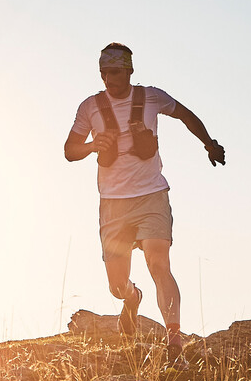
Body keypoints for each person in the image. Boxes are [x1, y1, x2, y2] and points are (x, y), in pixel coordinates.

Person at [64, 43, 225, 341]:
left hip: (152, 195)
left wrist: (209, 143)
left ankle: (173, 339)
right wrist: (91, 146)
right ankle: (132, 298)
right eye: (103, 73)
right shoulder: (90, 107)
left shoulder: (151, 97)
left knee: (158, 263)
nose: (108, 79)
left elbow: (187, 116)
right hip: (113, 203)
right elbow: (69, 150)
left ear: (129, 70)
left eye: (114, 72)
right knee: (116, 285)